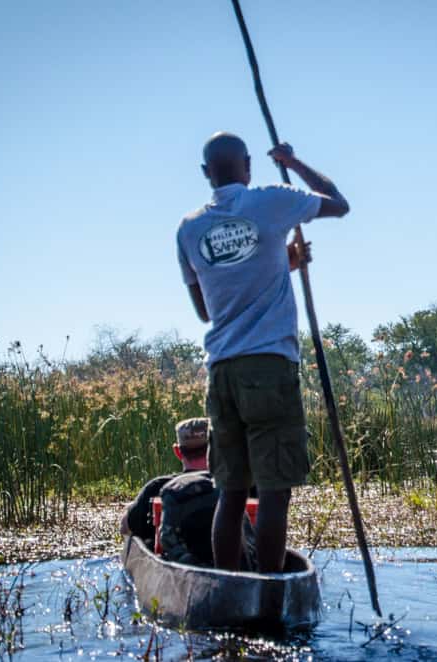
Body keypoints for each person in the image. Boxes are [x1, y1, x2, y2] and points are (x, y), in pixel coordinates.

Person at [176, 132, 349, 573]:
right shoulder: (271, 201)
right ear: (248, 167)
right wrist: (294, 162)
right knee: (273, 491)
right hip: (269, 365)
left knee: (232, 493)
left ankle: (227, 588)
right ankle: (268, 591)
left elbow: (204, 310)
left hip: (223, 371)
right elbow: (338, 202)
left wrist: (281, 264)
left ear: (205, 174)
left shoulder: (189, 227)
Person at [120, 418, 253, 567]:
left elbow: (125, 528)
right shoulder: (242, 487)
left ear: (177, 451)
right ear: (216, 448)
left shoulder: (157, 487)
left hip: (181, 570)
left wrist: (130, 509)